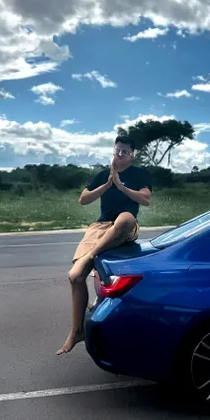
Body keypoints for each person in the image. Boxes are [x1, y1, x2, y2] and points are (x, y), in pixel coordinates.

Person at [56, 135, 152, 355]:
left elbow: (145, 200)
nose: (119, 155)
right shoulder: (102, 174)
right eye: (117, 151)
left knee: (126, 217)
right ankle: (77, 331)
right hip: (100, 228)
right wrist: (108, 184)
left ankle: (92, 255)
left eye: (125, 152)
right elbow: (84, 199)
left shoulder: (140, 174)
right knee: (75, 276)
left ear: (132, 155)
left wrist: (121, 187)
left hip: (124, 227)